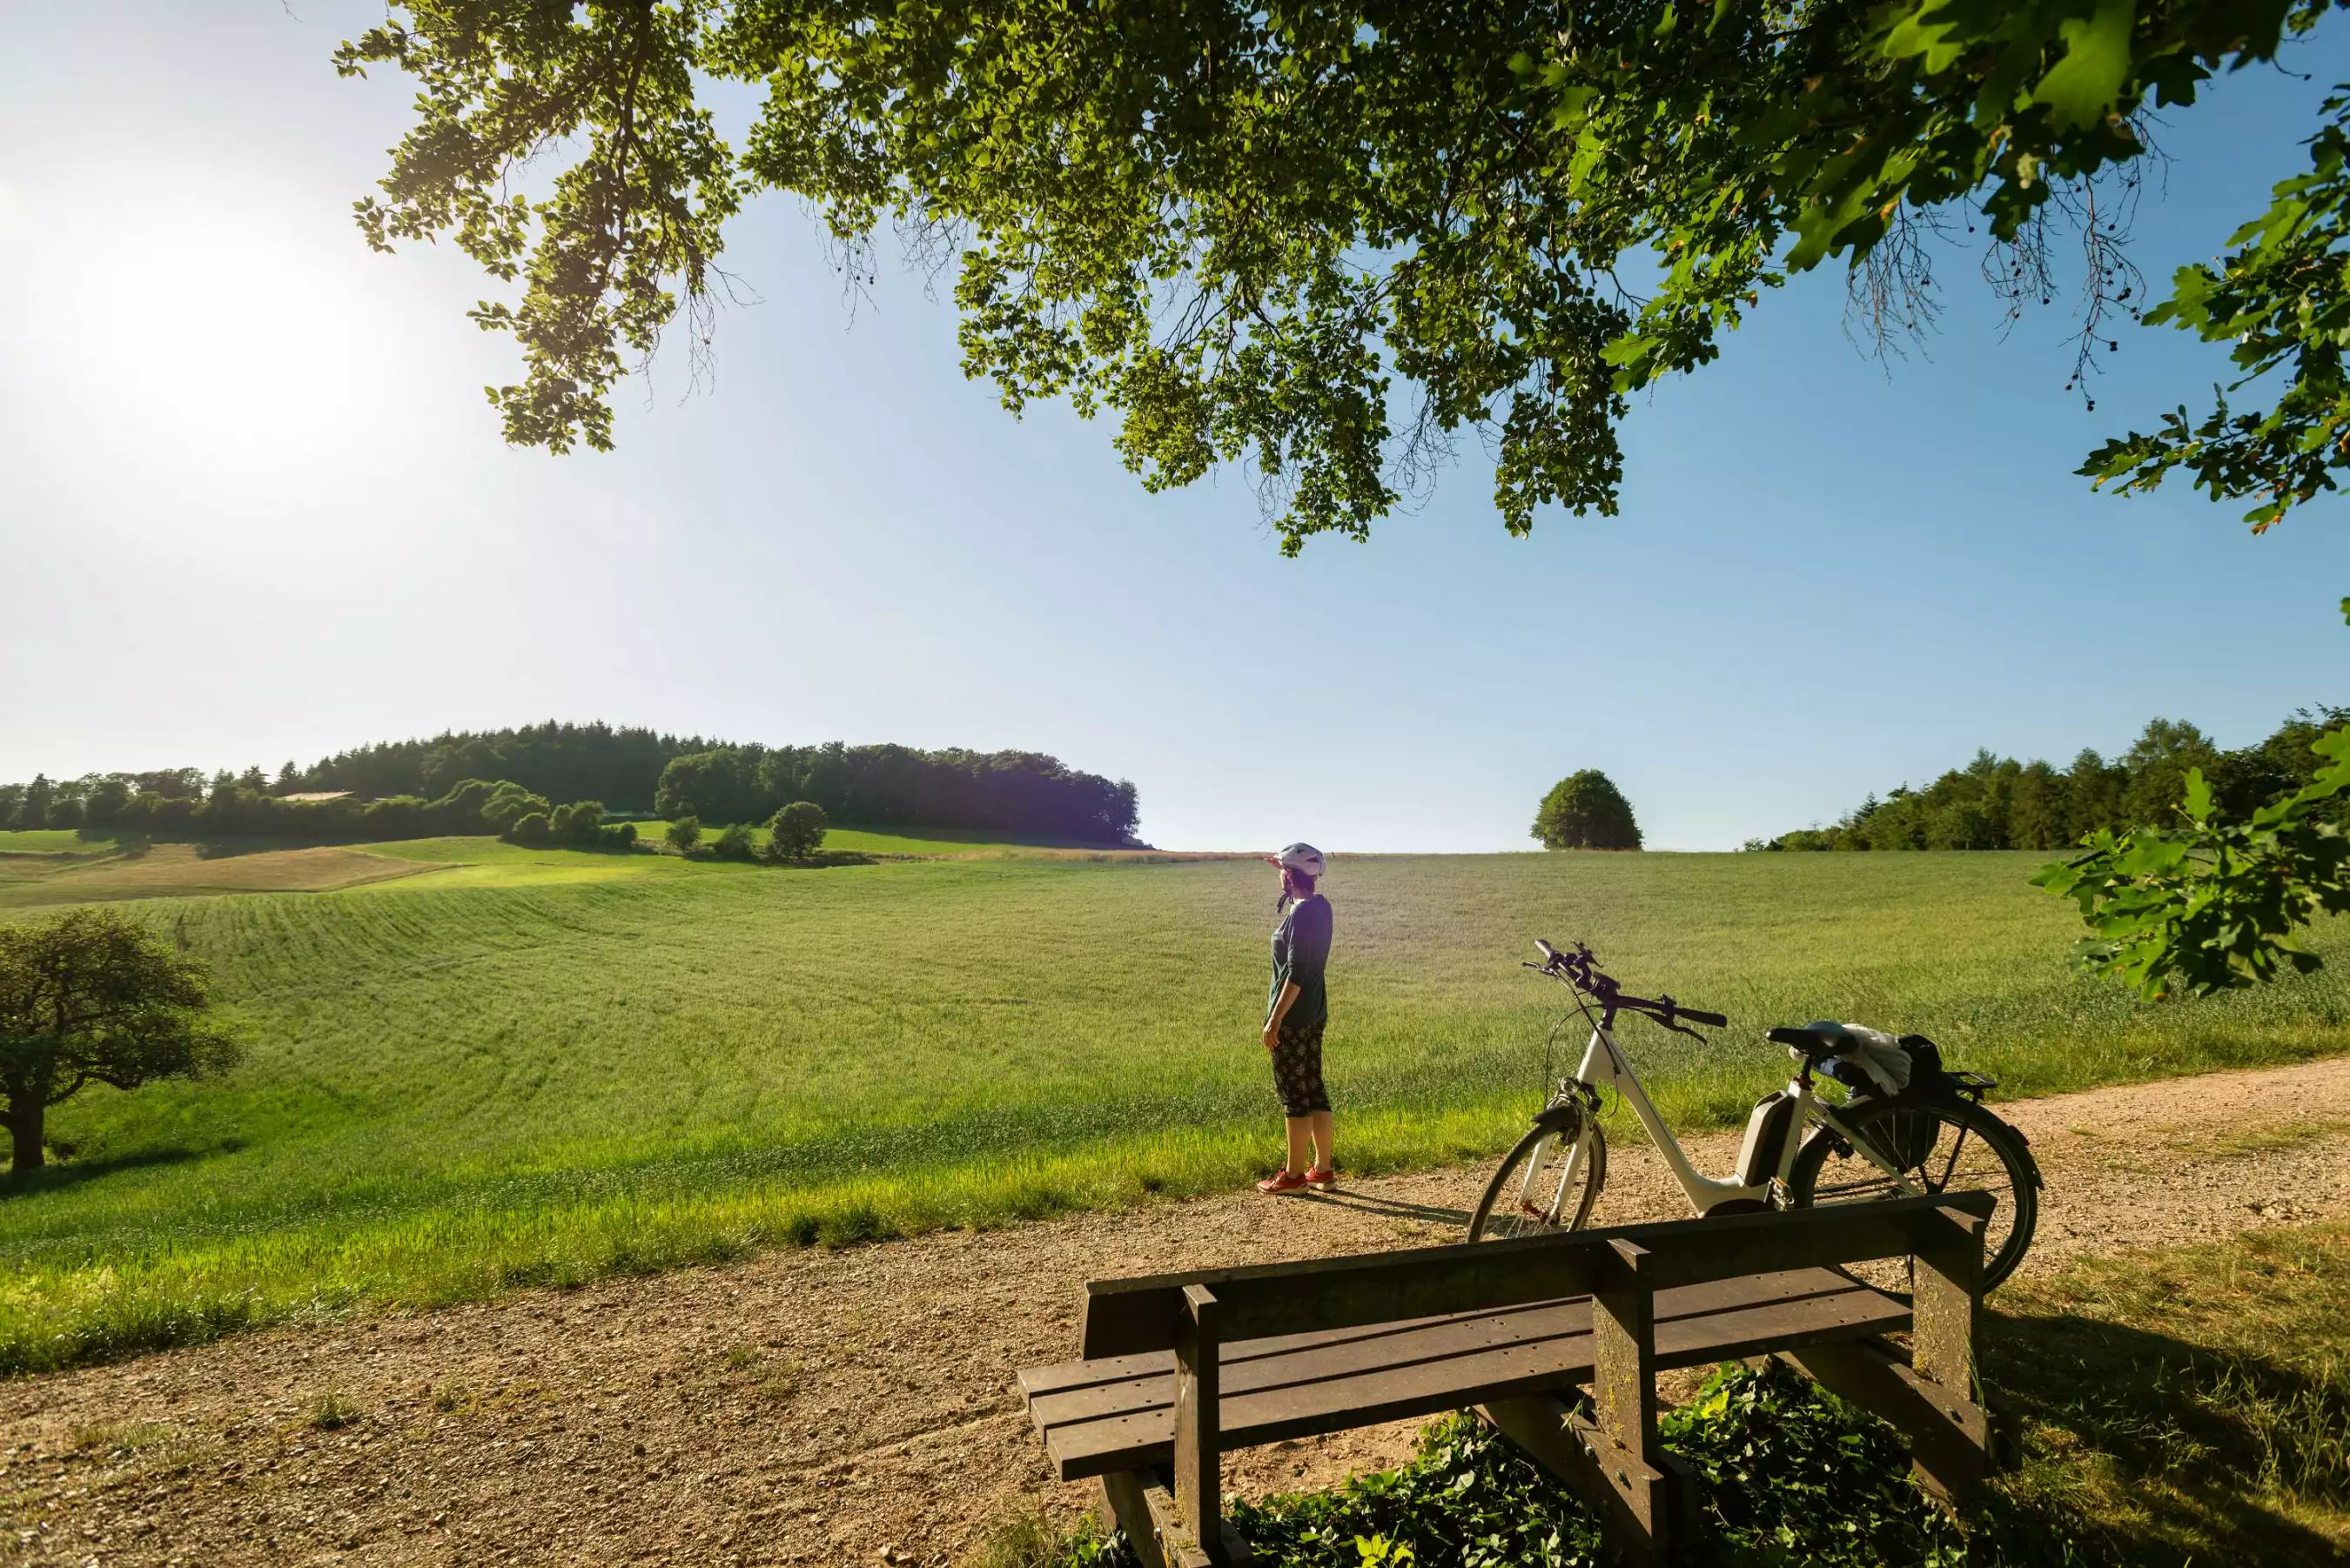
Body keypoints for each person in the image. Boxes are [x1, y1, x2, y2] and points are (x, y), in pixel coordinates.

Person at [1258, 841, 1336, 1194]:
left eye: (1282, 872)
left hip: (1293, 1017)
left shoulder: (1302, 915)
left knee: (1294, 1094)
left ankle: (1293, 1177)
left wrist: (1274, 1021)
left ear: (1289, 876)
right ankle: (1322, 1170)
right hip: (1315, 1012)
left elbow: (1297, 973)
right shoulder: (1321, 907)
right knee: (1314, 1088)